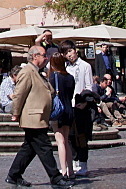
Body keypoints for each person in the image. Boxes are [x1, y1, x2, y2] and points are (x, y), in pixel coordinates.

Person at [5, 45, 72, 188]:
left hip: (39, 116)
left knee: (29, 148)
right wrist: (15, 113)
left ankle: (13, 175)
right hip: (33, 117)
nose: (46, 57)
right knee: (44, 147)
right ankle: (55, 178)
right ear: (35, 56)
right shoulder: (27, 72)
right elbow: (19, 94)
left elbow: (50, 91)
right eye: (43, 55)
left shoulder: (38, 72)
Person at [61, 40, 95, 177]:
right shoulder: (65, 67)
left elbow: (89, 86)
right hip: (69, 105)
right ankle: (73, 162)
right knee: (70, 136)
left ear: (75, 50)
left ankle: (83, 163)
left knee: (81, 135)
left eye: (70, 51)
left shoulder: (85, 66)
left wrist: (86, 101)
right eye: (65, 53)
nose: (69, 55)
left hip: (81, 105)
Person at [49, 53, 76, 181]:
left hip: (58, 111)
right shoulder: (70, 77)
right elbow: (71, 95)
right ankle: (71, 169)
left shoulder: (53, 77)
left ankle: (63, 171)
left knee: (60, 141)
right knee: (66, 140)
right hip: (69, 109)